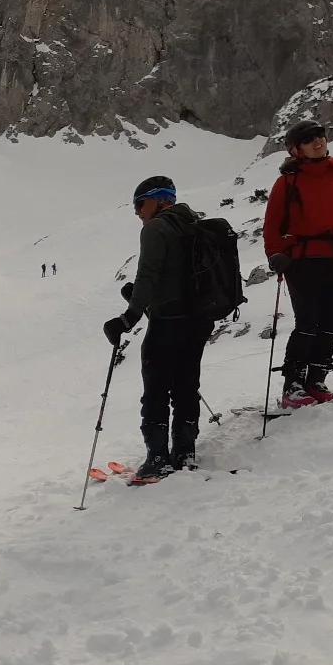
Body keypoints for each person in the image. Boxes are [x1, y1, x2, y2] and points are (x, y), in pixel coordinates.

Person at [103, 176, 216, 481]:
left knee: (156, 392)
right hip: (199, 320)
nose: (138, 212)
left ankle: (157, 460)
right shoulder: (194, 224)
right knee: (186, 386)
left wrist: (128, 317)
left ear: (160, 200)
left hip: (168, 321)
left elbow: (149, 275)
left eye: (140, 204)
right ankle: (184, 454)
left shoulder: (156, 228)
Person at [263, 120, 333, 406]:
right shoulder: (287, 181)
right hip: (301, 260)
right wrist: (275, 255)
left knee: (332, 321)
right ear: (295, 149)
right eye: (309, 139)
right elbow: (272, 224)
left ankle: (316, 380)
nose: (318, 142)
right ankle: (293, 386)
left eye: (320, 136)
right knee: (308, 321)